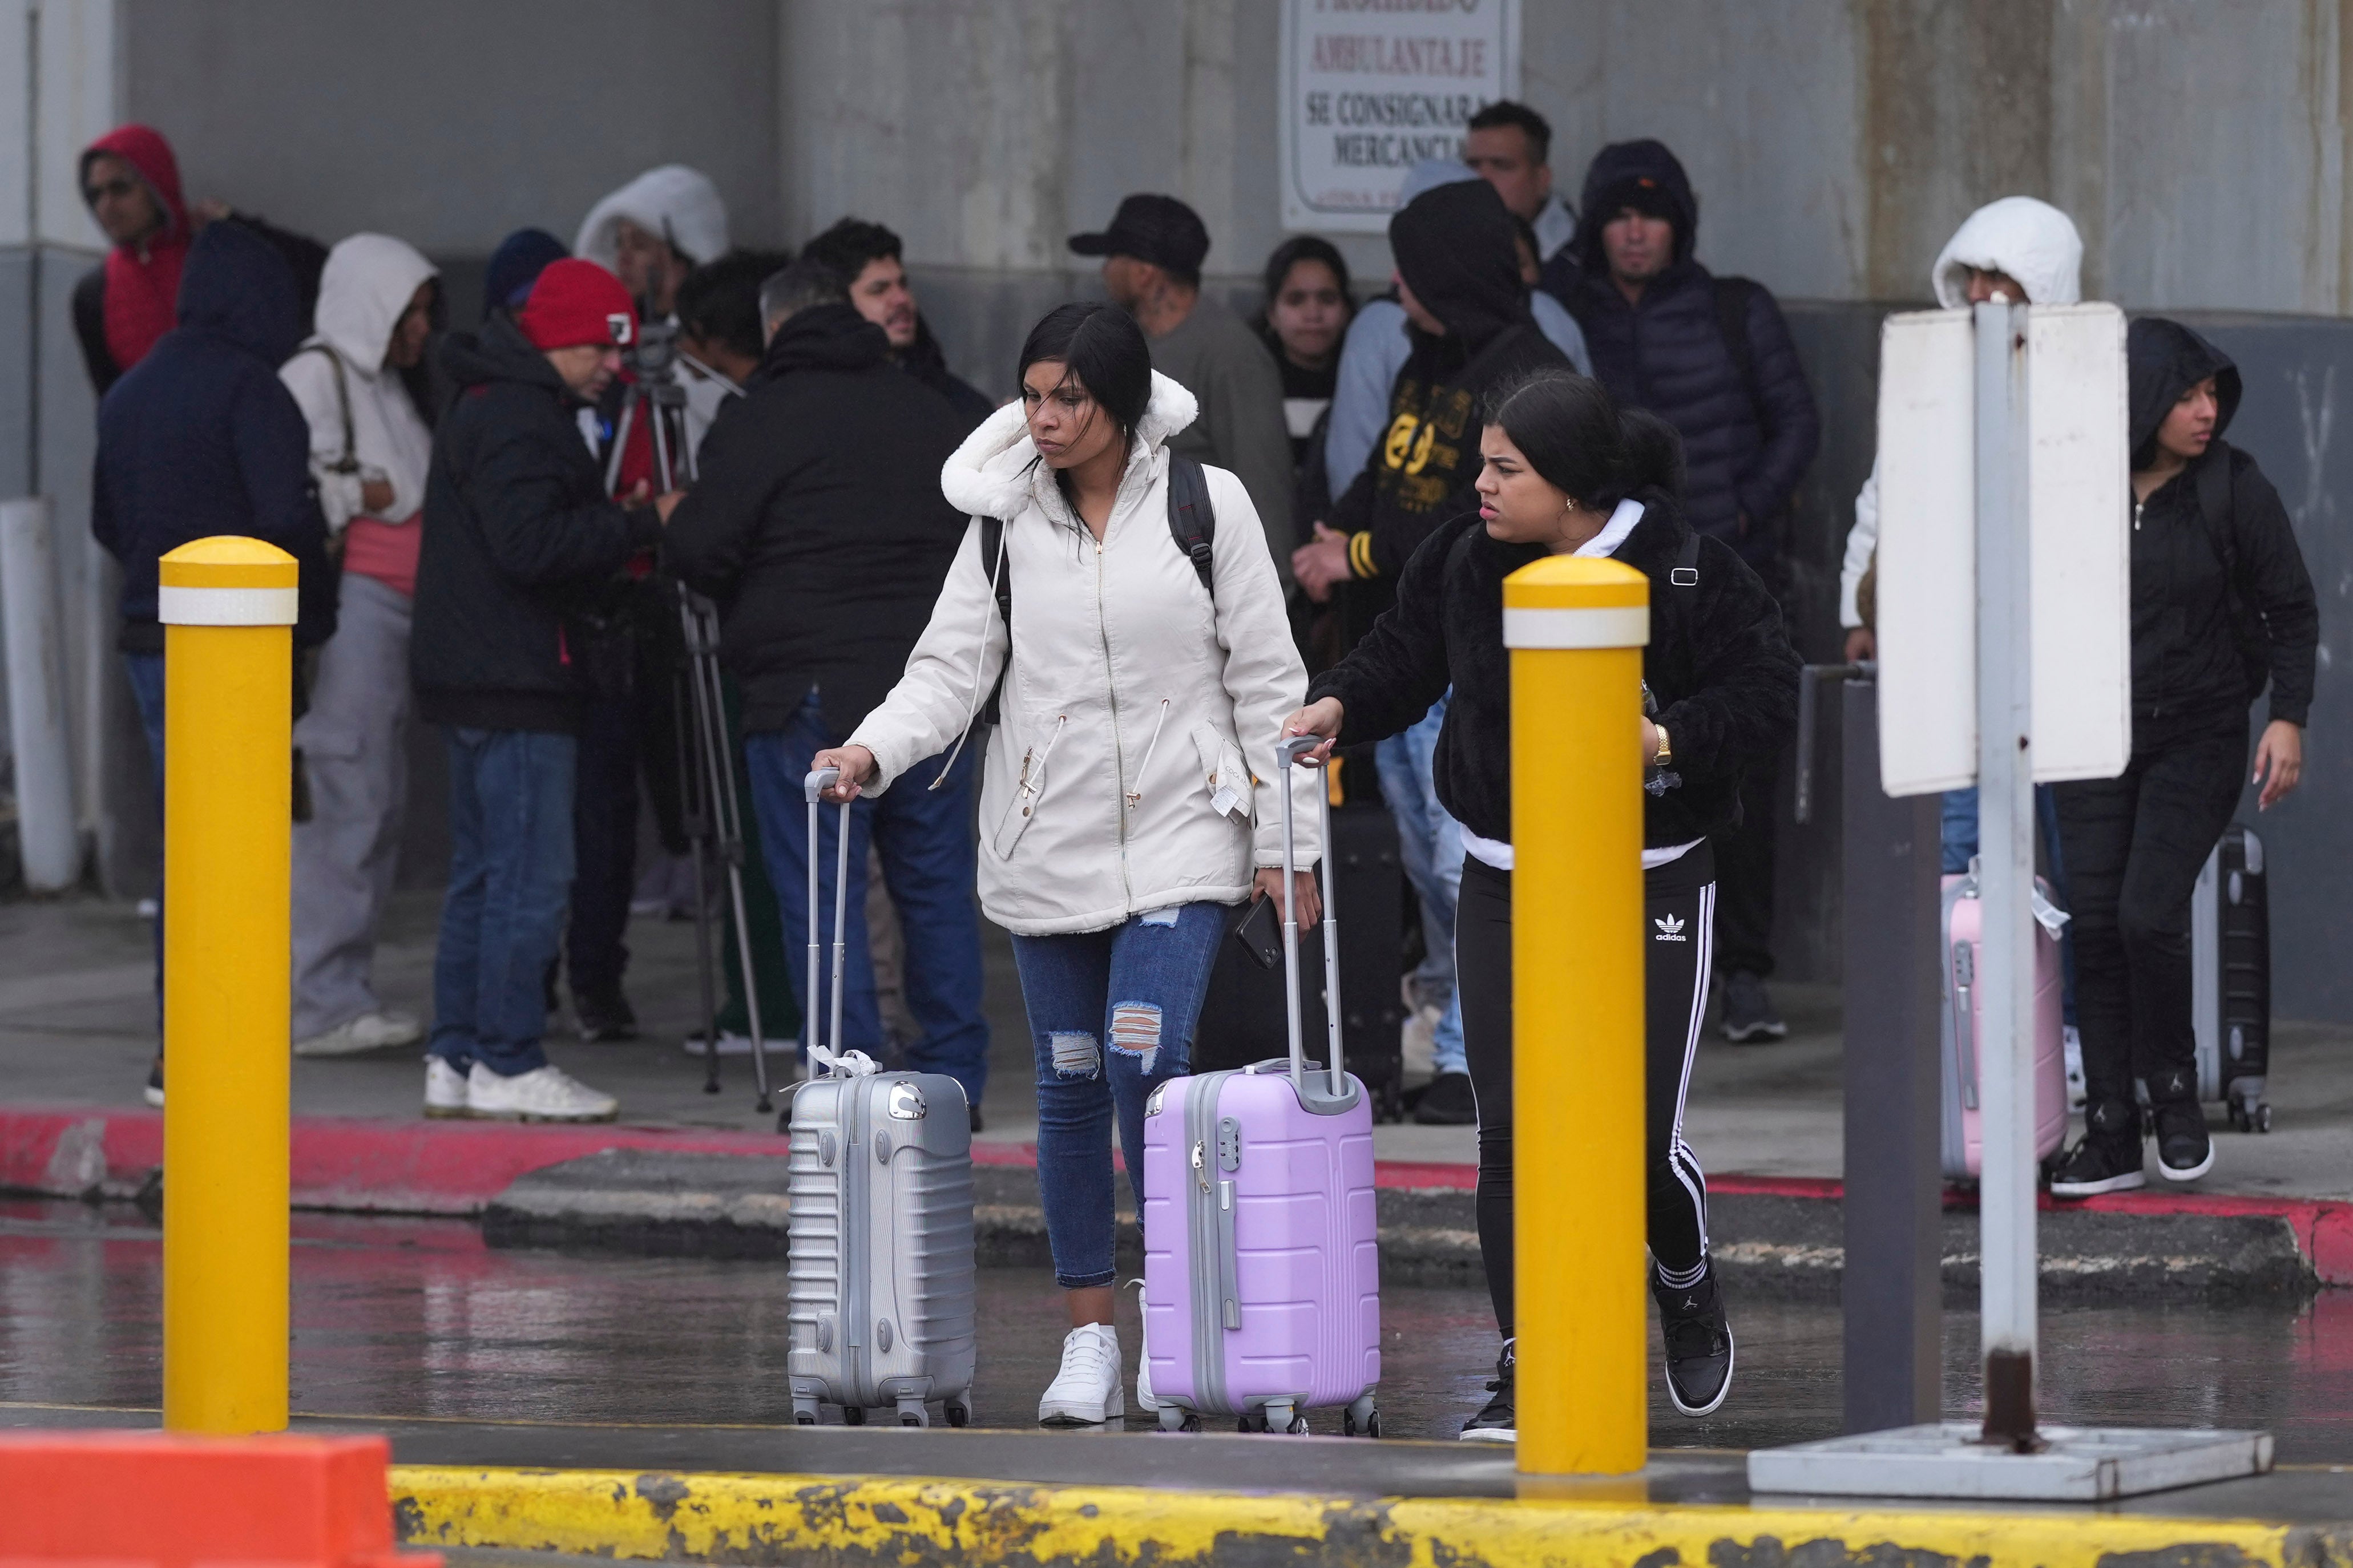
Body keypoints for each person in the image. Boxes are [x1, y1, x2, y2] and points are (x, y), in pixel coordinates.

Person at [810, 303, 1317, 1427]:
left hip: (1187, 833)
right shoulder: (999, 526)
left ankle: (1176, 1320)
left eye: (1068, 398)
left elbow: (1271, 684)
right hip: (1046, 846)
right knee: (1074, 1084)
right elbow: (947, 672)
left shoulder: (1206, 505)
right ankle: (1091, 1339)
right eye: (1033, 396)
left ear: (1121, 401)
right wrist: (870, 749)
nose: (1043, 419)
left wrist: (1288, 843)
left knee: (1145, 1061)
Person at [1283, 371, 1799, 1439]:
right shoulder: (1469, 561)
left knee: (1632, 1138)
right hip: (1506, 875)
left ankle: (1683, 1269)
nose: (1477, 483)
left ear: (1569, 488)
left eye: (1502, 468)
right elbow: (1402, 651)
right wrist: (1338, 702)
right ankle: (1528, 1364)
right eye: (1481, 461)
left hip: (1649, 873)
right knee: (1509, 1132)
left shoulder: (1684, 566)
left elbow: (1766, 684)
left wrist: (1663, 740)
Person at [665, 260, 991, 1113]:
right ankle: (955, 1079)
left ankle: (853, 1090)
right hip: (930, 692)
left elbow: (699, 550)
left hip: (808, 693)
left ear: (775, 329)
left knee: (824, 902)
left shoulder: (759, 417)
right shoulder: (930, 409)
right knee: (934, 889)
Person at [1547, 138, 1820, 1045]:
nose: (1634, 232)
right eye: (1618, 215)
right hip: (1601, 579)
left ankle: (1738, 973)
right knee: (1593, 772)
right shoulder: (1562, 306)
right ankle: (1619, 970)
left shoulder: (1732, 309)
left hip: (1721, 572)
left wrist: (1738, 516)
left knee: (1727, 767)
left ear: (1679, 224)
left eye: (1651, 215)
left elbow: (1794, 424)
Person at [2046, 318, 2317, 1199]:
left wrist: (2288, 719)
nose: (2205, 413)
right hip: (2088, 734)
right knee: (2088, 926)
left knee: (2143, 915)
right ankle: (2111, 1132)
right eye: (2185, 396)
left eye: (2211, 396)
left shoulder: (2231, 487)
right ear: (2138, 401)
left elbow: (2289, 607)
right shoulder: (2074, 488)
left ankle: (2173, 1098)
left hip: (2198, 734)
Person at [411, 258, 679, 1123]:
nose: (614, 369)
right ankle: (509, 1058)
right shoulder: (524, 417)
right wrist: (642, 524)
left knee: (482, 878)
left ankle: (455, 1057)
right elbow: (532, 546)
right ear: (563, 337)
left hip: (474, 677)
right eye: (606, 351)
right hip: (519, 677)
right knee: (531, 877)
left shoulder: (488, 401)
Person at [91, 220, 340, 1108]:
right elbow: (285, 520)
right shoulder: (254, 390)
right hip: (238, 650)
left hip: (148, 641)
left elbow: (104, 526)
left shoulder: (129, 392)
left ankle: (179, 1042)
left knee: (184, 849)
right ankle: (225, 1034)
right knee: (240, 851)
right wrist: (315, 612)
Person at [1840, 197, 2085, 887]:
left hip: (2058, 657)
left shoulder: (2085, 379)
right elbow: (1886, 494)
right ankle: (1964, 994)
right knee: (1960, 842)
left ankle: (2059, 1002)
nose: (1980, 292)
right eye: (1971, 275)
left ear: (2040, 284)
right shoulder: (1938, 377)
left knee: (2071, 856)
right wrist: (1859, 611)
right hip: (1956, 650)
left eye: (1998, 277)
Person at [281, 234, 441, 1058]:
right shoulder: (317, 377)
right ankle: (317, 1001)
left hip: (392, 617)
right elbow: (283, 484)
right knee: (349, 790)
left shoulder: (383, 385)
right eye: (408, 309)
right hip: (355, 614)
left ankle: (338, 989)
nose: (420, 326)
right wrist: (358, 491)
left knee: (375, 796)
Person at [1322, 161, 1591, 504]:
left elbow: (1482, 510)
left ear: (1444, 272)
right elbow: (1378, 469)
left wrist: (1359, 555)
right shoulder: (1427, 353)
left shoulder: (1529, 373)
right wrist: (1339, 533)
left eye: (1410, 267)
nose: (1396, 279)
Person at [1069, 195, 1295, 576]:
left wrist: (1267, 616)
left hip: (1201, 595)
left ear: (1142, 273)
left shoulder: (1231, 354)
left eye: (1113, 259)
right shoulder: (1124, 343)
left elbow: (1264, 491)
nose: (1105, 271)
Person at [72, 123, 328, 398]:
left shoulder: (220, 256)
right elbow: (111, 400)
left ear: (155, 183)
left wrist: (236, 223)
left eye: (120, 188)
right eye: (96, 195)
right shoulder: (94, 294)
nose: (107, 206)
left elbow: (321, 272)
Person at [800, 217, 995, 429]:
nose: (902, 299)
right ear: (835, 304)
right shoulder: (808, 398)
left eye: (903, 284)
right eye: (879, 290)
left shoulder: (956, 402)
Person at [574, 165, 731, 324]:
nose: (623, 258)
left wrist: (673, 307)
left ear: (679, 258)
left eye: (639, 245)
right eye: (619, 243)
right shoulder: (617, 320)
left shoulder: (714, 329)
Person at [1256, 235, 1353, 474]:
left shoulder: (1360, 383)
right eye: (1296, 300)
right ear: (1272, 314)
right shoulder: (1253, 381)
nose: (1313, 314)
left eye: (1327, 299)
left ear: (1346, 311)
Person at [1463, 100, 1575, 268]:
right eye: (1473, 166)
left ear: (1541, 179)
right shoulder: (1448, 247)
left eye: (1502, 166)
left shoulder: (1577, 260)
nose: (1482, 179)